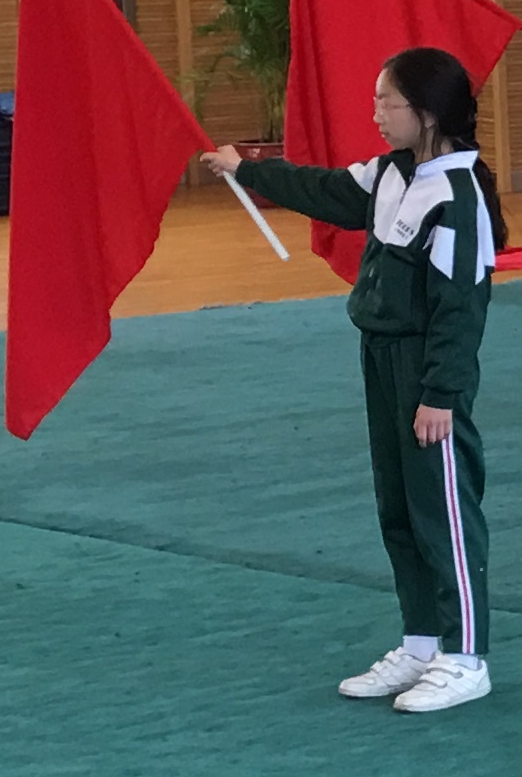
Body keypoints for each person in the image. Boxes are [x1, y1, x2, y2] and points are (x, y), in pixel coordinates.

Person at [208, 47, 505, 715]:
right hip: (380, 358)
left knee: (444, 512)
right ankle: (421, 644)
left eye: (386, 102)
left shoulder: (457, 198)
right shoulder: (389, 172)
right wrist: (246, 168)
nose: (375, 113)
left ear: (427, 113)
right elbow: (324, 190)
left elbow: (461, 309)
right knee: (398, 508)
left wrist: (440, 394)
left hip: (426, 371)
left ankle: (466, 656)